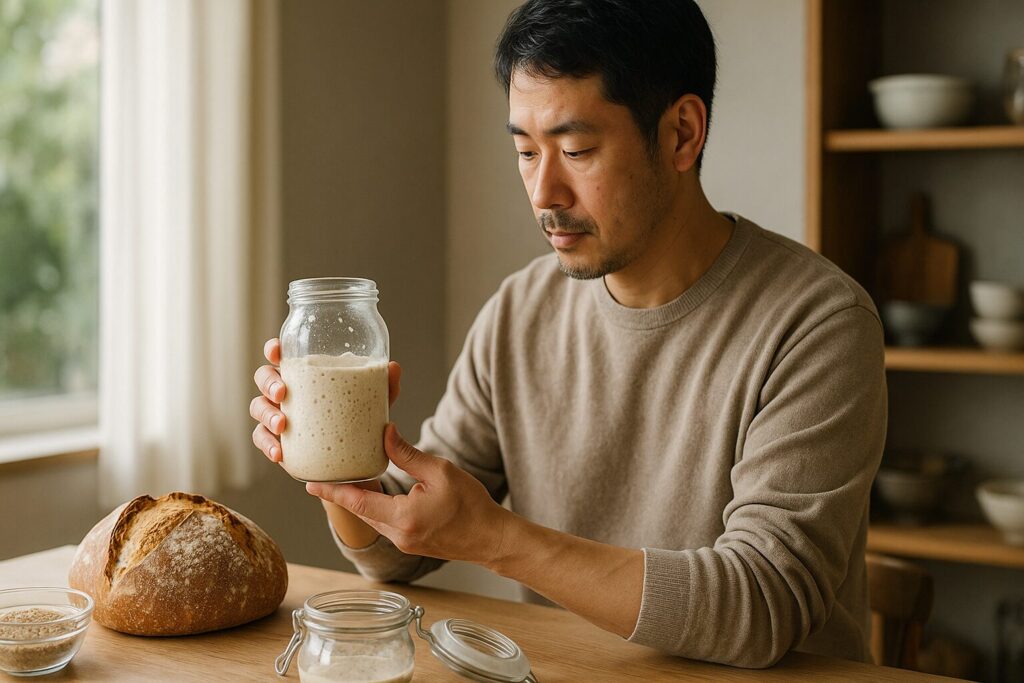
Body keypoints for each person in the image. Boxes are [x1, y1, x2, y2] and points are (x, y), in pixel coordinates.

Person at [249, 0, 886, 669]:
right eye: (525, 150)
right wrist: (339, 464)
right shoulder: (521, 311)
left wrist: (497, 539)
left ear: (682, 133)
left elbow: (761, 605)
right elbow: (406, 545)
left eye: (576, 149)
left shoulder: (818, 324)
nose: (543, 191)